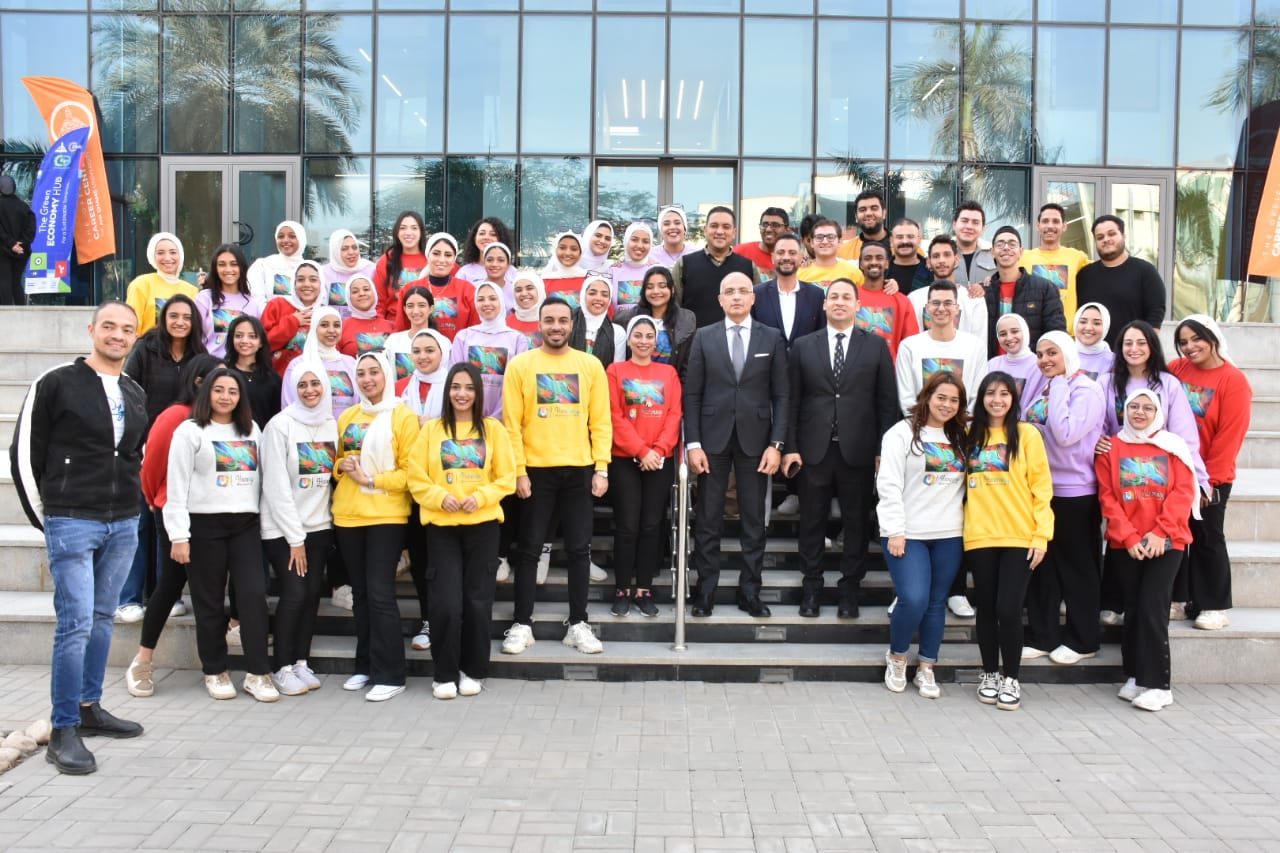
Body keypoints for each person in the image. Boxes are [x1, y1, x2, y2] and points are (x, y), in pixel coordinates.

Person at [10, 301, 147, 774]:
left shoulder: (133, 390)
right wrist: (46, 520)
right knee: (76, 625)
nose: (117, 335)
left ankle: (89, 708)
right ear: (92, 330)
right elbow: (25, 455)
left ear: (134, 337)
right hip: (71, 520)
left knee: (103, 618)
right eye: (109, 326)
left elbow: (133, 454)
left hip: (122, 522)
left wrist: (133, 508)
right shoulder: (55, 382)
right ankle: (63, 728)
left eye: (126, 329)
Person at [500, 297, 612, 655]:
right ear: (540, 324)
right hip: (536, 471)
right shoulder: (521, 365)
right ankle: (522, 624)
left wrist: (601, 467)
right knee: (529, 549)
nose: (556, 326)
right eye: (549, 320)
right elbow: (512, 425)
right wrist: (519, 471)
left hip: (579, 469)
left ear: (571, 324)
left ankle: (578, 623)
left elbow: (601, 421)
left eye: (563, 320)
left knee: (579, 550)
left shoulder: (590, 365)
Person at [782, 278, 898, 619]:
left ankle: (850, 591)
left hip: (859, 451)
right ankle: (811, 588)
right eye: (834, 296)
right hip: (813, 451)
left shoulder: (876, 346)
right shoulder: (803, 346)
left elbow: (886, 403)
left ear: (858, 305)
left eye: (847, 297)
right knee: (811, 523)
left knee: (857, 523)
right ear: (824, 303)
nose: (840, 302)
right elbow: (791, 400)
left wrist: (883, 450)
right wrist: (790, 447)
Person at [164, 368, 277, 703]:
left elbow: (262, 480)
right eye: (219, 390)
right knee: (209, 602)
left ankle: (258, 673)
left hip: (245, 525)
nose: (226, 397)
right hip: (203, 526)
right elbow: (176, 487)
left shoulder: (251, 429)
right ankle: (215, 670)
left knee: (253, 595)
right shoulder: (189, 432)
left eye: (233, 391)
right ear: (206, 393)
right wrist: (179, 536)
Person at [683, 272, 788, 618]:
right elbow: (692, 394)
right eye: (730, 291)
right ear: (720, 299)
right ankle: (705, 591)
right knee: (708, 519)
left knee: (754, 520)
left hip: (757, 442)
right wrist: (693, 443)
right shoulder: (704, 336)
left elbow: (782, 395)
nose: (737, 296)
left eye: (744, 291)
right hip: (711, 440)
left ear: (753, 298)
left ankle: (750, 592)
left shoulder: (771, 337)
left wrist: (776, 444)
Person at [408, 363, 516, 699]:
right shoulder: (432, 430)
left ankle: (474, 670)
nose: (462, 393)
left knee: (477, 602)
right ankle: (444, 674)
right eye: (456, 387)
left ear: (478, 392)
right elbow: (415, 476)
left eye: (469, 387)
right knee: (445, 604)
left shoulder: (493, 430)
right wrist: (439, 497)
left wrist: (481, 497)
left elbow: (506, 478)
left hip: (482, 527)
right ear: (448, 391)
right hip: (442, 529)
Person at [124, 354, 223, 699]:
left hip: (210, 515)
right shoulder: (176, 415)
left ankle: (214, 665)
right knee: (169, 585)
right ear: (199, 382)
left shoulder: (222, 420)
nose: (224, 388)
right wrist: (155, 497)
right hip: (173, 512)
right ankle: (143, 659)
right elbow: (150, 464)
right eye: (216, 380)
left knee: (197, 587)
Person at [1095, 389, 1198, 712]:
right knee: (1134, 609)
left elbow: (1183, 492)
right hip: (1126, 543)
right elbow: (1108, 498)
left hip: (1166, 542)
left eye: (1148, 408)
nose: (1140, 412)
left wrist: (1159, 533)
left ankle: (1159, 685)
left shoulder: (1172, 446)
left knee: (1153, 609)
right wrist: (1129, 537)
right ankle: (1136, 675)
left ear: (1159, 413)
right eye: (1134, 407)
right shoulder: (1111, 448)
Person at [333, 350, 420, 701]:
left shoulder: (403, 416)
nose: (367, 379)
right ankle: (366, 665)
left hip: (386, 515)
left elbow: (411, 473)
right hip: (348, 514)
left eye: (374, 372)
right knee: (361, 595)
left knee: (380, 593)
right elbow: (338, 459)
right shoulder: (348, 415)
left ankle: (391, 674)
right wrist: (342, 467)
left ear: (386, 374)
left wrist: (371, 480)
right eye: (361, 373)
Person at [964, 372, 1053, 712]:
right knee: (986, 608)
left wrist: (1041, 535)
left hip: (1019, 535)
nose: (997, 399)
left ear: (1013, 399)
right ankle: (989, 674)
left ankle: (1011, 678)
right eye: (990, 393)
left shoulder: (1027, 434)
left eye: (1004, 393)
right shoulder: (970, 435)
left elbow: (1042, 488)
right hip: (980, 535)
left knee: (1008, 608)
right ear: (982, 398)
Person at [877, 372, 968, 700]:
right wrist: (895, 530)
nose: (947, 405)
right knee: (913, 597)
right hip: (908, 533)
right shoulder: (901, 433)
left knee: (936, 602)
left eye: (954, 400)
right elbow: (888, 483)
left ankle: (927, 666)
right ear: (927, 397)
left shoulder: (961, 437)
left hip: (949, 534)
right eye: (941, 397)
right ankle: (897, 657)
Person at [118, 294, 207, 621]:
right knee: (140, 522)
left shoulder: (199, 355)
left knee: (167, 525)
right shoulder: (146, 348)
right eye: (174, 315)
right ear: (164, 318)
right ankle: (129, 597)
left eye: (187, 317)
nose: (180, 322)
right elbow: (127, 392)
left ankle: (163, 596)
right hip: (146, 445)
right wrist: (137, 440)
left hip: (183, 449)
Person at [1021, 331, 1106, 665]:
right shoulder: (1046, 386)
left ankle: (1084, 641)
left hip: (1075, 492)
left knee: (1078, 569)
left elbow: (1065, 433)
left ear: (1068, 353)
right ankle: (1044, 636)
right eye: (1040, 354)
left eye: (1052, 353)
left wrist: (1058, 385)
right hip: (1042, 489)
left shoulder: (1086, 389)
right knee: (1042, 568)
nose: (1044, 360)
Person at [259, 357, 338, 697]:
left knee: (311, 595)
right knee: (294, 594)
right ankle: (281, 666)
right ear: (293, 388)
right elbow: (276, 487)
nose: (309, 390)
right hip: (283, 529)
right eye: (302, 384)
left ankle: (301, 662)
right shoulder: (280, 426)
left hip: (319, 526)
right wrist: (295, 538)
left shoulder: (332, 424)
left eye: (315, 383)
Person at [1168, 315, 1253, 631]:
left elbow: (1230, 437)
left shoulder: (1233, 381)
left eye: (1196, 339)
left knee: (1207, 536)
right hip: (1176, 470)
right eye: (1183, 342)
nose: (1190, 347)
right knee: (1175, 534)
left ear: (1212, 338)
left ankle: (1214, 605)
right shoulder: (1176, 369)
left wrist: (1208, 482)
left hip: (1210, 476)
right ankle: (1178, 599)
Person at [606, 316, 682, 617]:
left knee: (652, 525)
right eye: (637, 335)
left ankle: (644, 589)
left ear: (656, 341)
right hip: (625, 458)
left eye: (649, 336)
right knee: (627, 526)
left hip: (659, 460)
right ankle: (622, 588)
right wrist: (641, 450)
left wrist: (658, 450)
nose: (643, 341)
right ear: (629, 340)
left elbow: (674, 414)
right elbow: (614, 416)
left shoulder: (668, 373)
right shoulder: (615, 371)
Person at [397, 327, 454, 648]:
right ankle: (428, 619)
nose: (422, 356)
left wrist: (429, 426)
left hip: (447, 482)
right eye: (416, 351)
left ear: (442, 352)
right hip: (412, 483)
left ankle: (449, 618)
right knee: (420, 557)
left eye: (429, 350)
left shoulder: (454, 384)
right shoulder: (401, 387)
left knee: (444, 558)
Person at [894, 281, 987, 416]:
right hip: (920, 425)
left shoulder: (975, 347)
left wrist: (962, 425)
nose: (941, 308)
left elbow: (977, 395)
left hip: (962, 426)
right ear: (927, 308)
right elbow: (906, 398)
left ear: (957, 308)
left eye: (948, 303)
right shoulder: (909, 347)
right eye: (936, 303)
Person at [1077, 215, 1167, 348]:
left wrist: (1142, 346)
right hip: (1092, 353)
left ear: (1123, 236)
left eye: (1111, 234)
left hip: (1130, 352)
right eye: (1100, 237)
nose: (1106, 239)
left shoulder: (1145, 271)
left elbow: (1155, 313)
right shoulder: (1085, 275)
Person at [980, 225, 1066, 358]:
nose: (1006, 248)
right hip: (993, 366)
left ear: (1021, 251)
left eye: (1012, 244)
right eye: (1000, 244)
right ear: (992, 252)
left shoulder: (1045, 289)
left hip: (1032, 366)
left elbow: (1056, 334)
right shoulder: (983, 293)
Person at [450, 281, 528, 419]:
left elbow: (517, 384)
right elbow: (455, 379)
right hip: (467, 416)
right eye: (481, 299)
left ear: (502, 301)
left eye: (492, 298)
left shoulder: (517, 339)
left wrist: (497, 418)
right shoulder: (463, 337)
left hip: (504, 418)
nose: (486, 303)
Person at [673, 206, 759, 327]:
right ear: (705, 230)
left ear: (734, 233)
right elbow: (673, 308)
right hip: (693, 337)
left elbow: (757, 309)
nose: (719, 231)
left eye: (726, 227)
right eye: (714, 226)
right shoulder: (684, 264)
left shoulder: (748, 267)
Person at [1018, 203, 1090, 326]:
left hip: (1066, 332)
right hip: (1033, 330)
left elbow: (1102, 271)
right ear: (1038, 226)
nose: (1050, 226)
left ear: (1064, 226)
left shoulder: (1077, 257)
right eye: (1045, 221)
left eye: (1056, 221)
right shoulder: (1022, 258)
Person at [616, 265, 697, 372]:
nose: (656, 291)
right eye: (650, 287)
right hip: (633, 380)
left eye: (662, 286)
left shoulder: (686, 319)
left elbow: (687, 364)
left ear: (672, 289)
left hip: (671, 380)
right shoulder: (625, 319)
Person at [751, 233, 826, 349]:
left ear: (801, 257)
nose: (786, 257)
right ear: (772, 257)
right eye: (781, 252)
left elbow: (822, 336)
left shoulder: (816, 295)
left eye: (792, 253)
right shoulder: (757, 294)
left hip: (805, 360)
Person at [282, 306, 359, 418]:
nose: (331, 330)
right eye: (324, 325)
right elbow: (288, 406)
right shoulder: (297, 365)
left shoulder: (351, 363)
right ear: (314, 328)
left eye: (336, 325)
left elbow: (359, 403)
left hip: (346, 427)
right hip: (307, 428)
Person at [126, 232, 200, 336]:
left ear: (180, 255)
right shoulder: (141, 284)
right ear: (152, 256)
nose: (167, 258)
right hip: (148, 346)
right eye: (160, 253)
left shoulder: (192, 291)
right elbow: (130, 326)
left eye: (173, 252)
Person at [916, 235, 987, 341]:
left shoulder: (974, 300)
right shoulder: (915, 298)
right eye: (936, 256)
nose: (941, 260)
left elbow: (980, 343)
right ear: (928, 262)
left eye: (947, 255)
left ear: (957, 260)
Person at [854, 242, 918, 359]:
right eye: (868, 258)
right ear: (861, 264)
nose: (874, 262)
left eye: (879, 258)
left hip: (889, 368)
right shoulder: (850, 298)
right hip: (854, 368)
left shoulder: (902, 301)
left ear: (887, 264)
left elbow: (911, 344)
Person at [262, 260, 327, 376]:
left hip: (314, 381)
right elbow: (262, 344)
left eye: (313, 280)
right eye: (301, 280)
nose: (307, 284)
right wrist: (292, 322)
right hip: (277, 379)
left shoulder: (326, 314)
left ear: (321, 283)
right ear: (293, 283)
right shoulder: (277, 305)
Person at [195, 243, 261, 358]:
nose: (228, 269)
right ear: (215, 268)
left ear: (241, 267)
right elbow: (194, 337)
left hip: (241, 366)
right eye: (222, 265)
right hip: (209, 365)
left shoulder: (253, 304)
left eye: (234, 264)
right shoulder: (204, 298)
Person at [224, 314, 282, 429]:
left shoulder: (272, 378)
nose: (245, 341)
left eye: (252, 336)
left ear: (261, 342)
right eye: (239, 335)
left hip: (263, 436)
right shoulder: (223, 372)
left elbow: (277, 416)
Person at [417, 233, 478, 339]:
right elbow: (402, 330)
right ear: (428, 256)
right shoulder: (411, 289)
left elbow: (475, 331)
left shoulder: (468, 290)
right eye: (436, 253)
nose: (442, 260)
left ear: (454, 259)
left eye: (448, 255)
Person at [373, 211, 428, 325]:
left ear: (421, 232)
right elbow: (379, 301)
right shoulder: (386, 260)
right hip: (394, 326)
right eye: (403, 228)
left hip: (425, 326)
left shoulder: (431, 259)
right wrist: (382, 326)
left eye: (414, 228)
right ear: (397, 232)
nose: (408, 233)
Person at [985, 314, 1044, 403]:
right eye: (1003, 334)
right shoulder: (992, 364)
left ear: (1025, 331)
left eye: (1014, 331)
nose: (1009, 338)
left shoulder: (1040, 365)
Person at [569, 274, 626, 368]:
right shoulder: (567, 326)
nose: (598, 298)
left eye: (604, 295)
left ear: (609, 300)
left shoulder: (617, 332)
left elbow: (616, 371)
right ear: (583, 296)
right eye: (592, 293)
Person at [247, 220, 307, 305]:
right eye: (281, 236)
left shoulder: (309, 269)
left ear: (301, 239)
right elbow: (256, 299)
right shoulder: (263, 265)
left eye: (292, 236)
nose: (285, 240)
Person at [385, 285, 435, 384]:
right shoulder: (393, 341)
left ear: (431, 308)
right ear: (404, 309)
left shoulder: (442, 343)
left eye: (421, 305)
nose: (415, 311)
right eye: (410, 306)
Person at [322, 229, 377, 318]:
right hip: (335, 325)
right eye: (344, 249)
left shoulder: (372, 270)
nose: (351, 252)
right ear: (335, 251)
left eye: (354, 247)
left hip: (367, 324)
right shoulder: (324, 273)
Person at [798, 218, 864, 291]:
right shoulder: (799, 275)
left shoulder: (854, 274)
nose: (825, 242)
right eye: (819, 237)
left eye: (830, 237)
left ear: (839, 242)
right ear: (812, 242)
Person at [0, 174, 36, 305]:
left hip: (3, 251)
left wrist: (11, 244)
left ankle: (6, 313)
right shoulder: (24, 207)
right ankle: (22, 311)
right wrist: (21, 243)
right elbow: (31, 229)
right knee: (16, 283)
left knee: (4, 282)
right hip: (21, 251)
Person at [337, 275, 394, 356]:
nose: (362, 294)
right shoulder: (341, 328)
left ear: (374, 293)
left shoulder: (391, 326)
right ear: (348, 297)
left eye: (366, 289)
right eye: (355, 291)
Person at [457, 217, 516, 287]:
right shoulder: (464, 273)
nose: (486, 237)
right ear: (474, 238)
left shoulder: (512, 272)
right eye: (482, 233)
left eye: (493, 234)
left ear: (501, 238)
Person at [610, 221, 656, 310]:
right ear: (626, 241)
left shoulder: (657, 271)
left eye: (645, 241)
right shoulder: (612, 271)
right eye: (634, 240)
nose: (640, 245)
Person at [836, 190, 891, 261]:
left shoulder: (900, 246)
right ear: (856, 216)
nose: (868, 213)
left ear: (884, 213)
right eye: (862, 210)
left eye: (874, 208)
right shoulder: (843, 252)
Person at [950, 201, 995, 287]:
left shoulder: (993, 254)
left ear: (983, 228)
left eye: (975, 222)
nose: (969, 226)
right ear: (954, 224)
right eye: (964, 221)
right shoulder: (939, 254)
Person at [540, 230, 589, 308]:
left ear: (580, 253)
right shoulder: (544, 282)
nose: (567, 253)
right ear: (555, 250)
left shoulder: (589, 280)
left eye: (574, 249)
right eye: (562, 248)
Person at [733, 207, 788, 273]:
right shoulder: (740, 252)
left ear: (787, 230)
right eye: (765, 225)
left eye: (775, 225)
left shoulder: (792, 257)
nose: (768, 229)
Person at [886, 218, 932, 294]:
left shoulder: (931, 271)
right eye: (899, 237)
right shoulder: (882, 271)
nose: (905, 241)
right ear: (891, 241)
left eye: (910, 237)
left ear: (919, 240)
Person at [507, 271, 545, 350]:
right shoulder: (505, 324)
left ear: (539, 290)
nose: (524, 293)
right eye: (518, 290)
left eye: (529, 288)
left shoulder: (552, 322)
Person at [1074, 302, 1114, 379]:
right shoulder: (1062, 356)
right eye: (1083, 322)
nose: (1088, 328)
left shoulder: (1114, 362)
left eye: (1096, 323)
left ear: (1105, 327)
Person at [478, 241, 518, 306]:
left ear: (508, 264)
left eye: (501, 260)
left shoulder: (515, 291)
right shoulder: (474, 288)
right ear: (484, 263)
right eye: (490, 260)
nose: (494, 264)